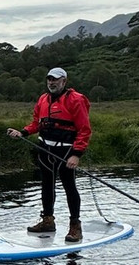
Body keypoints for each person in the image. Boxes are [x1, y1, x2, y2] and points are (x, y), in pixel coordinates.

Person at [6, 67, 91, 243]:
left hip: (66, 151)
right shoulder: (43, 99)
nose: (52, 82)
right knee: (46, 185)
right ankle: (48, 221)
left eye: (56, 79)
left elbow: (84, 130)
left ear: (64, 81)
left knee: (69, 186)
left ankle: (75, 226)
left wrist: (76, 155)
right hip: (45, 149)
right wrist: (22, 132)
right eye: (49, 79)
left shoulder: (76, 100)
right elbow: (37, 123)